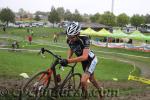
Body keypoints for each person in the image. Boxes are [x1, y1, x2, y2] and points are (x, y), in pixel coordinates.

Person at [59, 22, 103, 99]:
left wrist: (68, 61)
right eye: (68, 36)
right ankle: (100, 90)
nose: (70, 39)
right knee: (91, 79)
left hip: (91, 60)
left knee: (83, 81)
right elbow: (71, 49)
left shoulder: (85, 39)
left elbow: (85, 57)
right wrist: (67, 58)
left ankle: (85, 97)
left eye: (72, 37)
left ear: (78, 34)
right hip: (84, 61)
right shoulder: (69, 40)